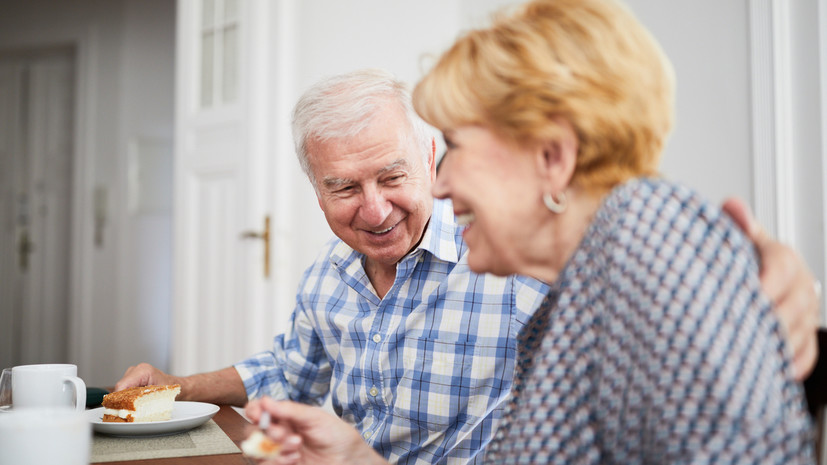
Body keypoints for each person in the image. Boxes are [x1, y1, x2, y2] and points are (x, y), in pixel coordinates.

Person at [118, 67, 819, 464]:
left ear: (429, 159)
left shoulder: (511, 256)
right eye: (342, 188)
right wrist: (173, 385)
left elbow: (654, 274)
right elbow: (285, 368)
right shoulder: (327, 277)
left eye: (393, 174)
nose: (372, 209)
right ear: (316, 190)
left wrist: (782, 282)